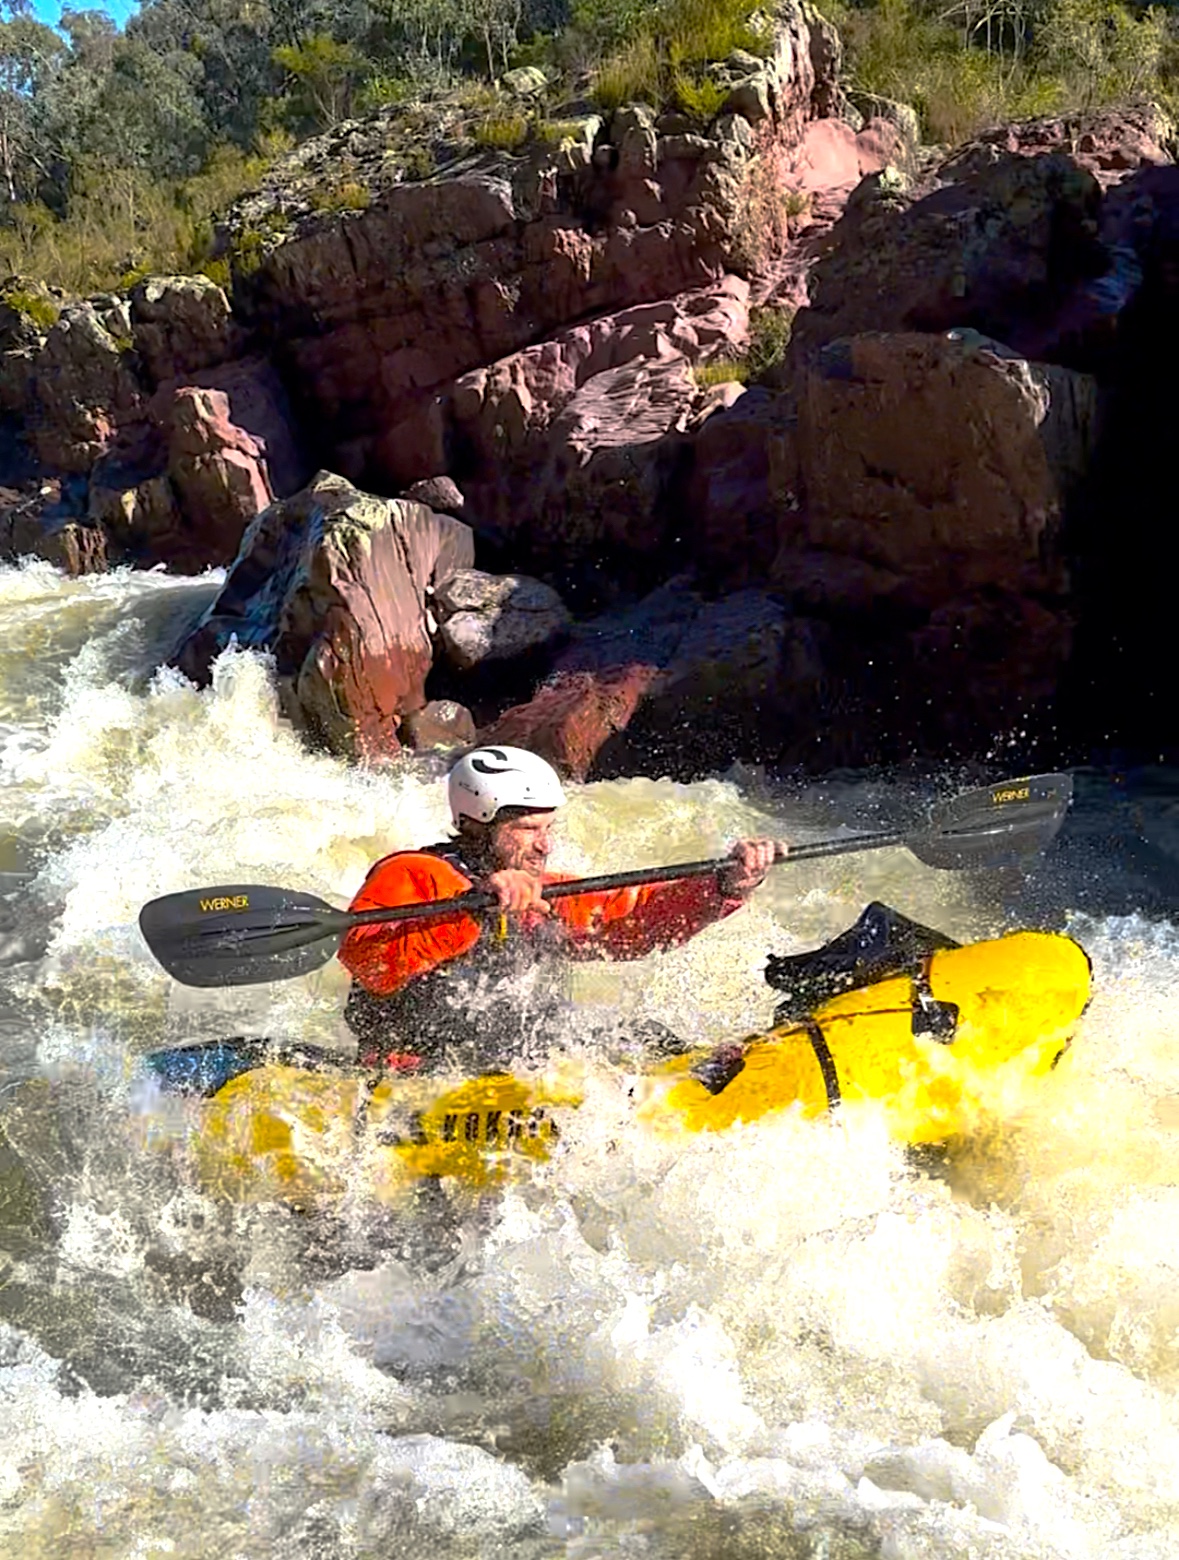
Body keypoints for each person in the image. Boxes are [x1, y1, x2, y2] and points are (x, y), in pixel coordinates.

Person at [338, 746, 778, 1073]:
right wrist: (473, 910)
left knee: (645, 1035)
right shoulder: (414, 873)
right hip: (417, 1075)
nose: (545, 844)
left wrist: (722, 887)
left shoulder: (540, 893)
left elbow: (628, 921)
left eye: (549, 827)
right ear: (475, 825)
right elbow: (368, 960)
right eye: (528, 829)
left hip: (512, 1062)